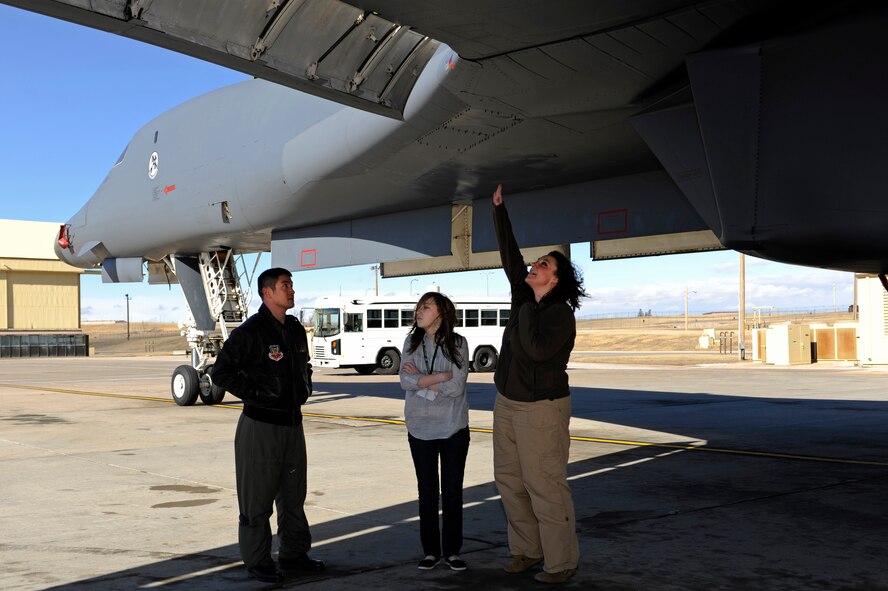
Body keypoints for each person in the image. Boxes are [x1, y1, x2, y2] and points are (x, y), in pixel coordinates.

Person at [491, 184, 585, 584]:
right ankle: (527, 551)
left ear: (556, 279)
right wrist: (499, 210)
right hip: (508, 403)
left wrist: (527, 305)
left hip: (541, 408)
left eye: (543, 264)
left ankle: (561, 562)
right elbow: (511, 255)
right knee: (510, 483)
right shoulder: (524, 296)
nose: (533, 265)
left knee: (544, 485)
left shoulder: (557, 315)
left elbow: (533, 350)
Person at [212, 267, 325, 584]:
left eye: (291, 285)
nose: (291, 291)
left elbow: (303, 367)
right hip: (260, 426)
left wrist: (304, 387)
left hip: (292, 425)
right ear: (267, 293)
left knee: (293, 496)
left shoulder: (294, 329)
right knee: (257, 500)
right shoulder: (250, 332)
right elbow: (221, 373)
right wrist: (258, 394)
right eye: (285, 285)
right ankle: (258, 561)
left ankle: (294, 554)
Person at [399, 291, 471, 572]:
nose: (419, 311)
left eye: (426, 307)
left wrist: (423, 379)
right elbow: (405, 381)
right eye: (418, 307)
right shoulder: (411, 341)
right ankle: (430, 551)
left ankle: (452, 551)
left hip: (453, 427)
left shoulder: (458, 343)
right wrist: (441, 377)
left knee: (452, 491)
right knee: (427, 492)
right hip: (419, 427)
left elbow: (457, 387)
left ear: (441, 313)